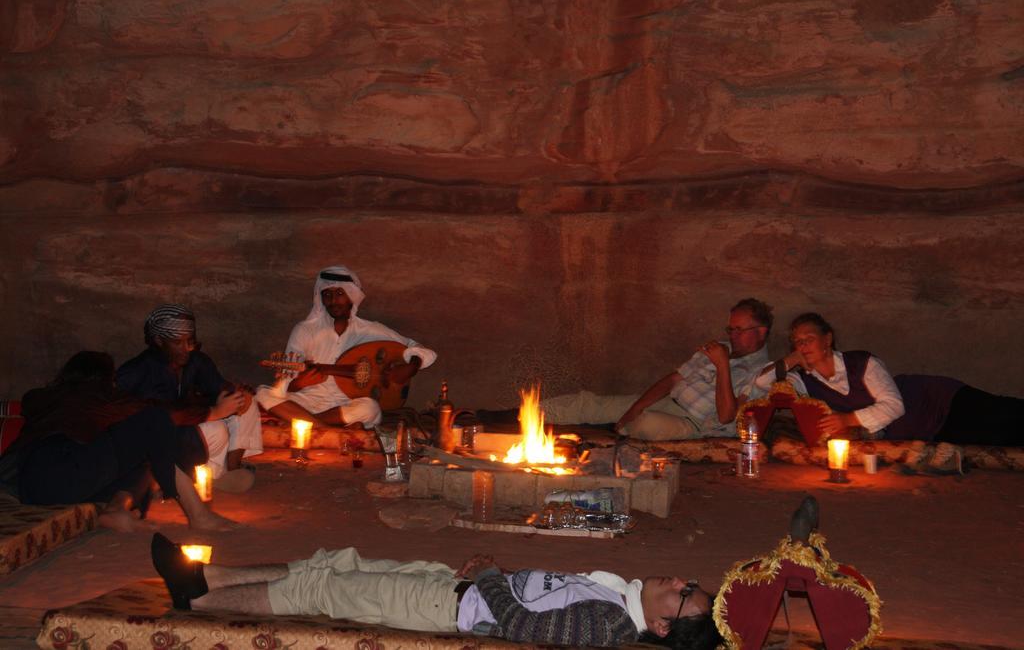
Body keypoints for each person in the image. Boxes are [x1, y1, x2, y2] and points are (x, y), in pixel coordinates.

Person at [151, 534, 720, 649]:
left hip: (443, 608)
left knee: (323, 589)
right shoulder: (619, 598)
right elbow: (538, 598)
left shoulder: (612, 625)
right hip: (456, 588)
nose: (679, 582)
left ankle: (196, 600)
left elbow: (523, 628)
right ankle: (212, 574)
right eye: (689, 584)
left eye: (683, 594)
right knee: (334, 560)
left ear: (664, 626)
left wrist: (490, 580)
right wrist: (485, 576)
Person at [0, 351, 235, 532]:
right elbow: (160, 413)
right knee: (154, 422)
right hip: (66, 467)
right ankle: (197, 515)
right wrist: (214, 411)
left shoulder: (39, 398)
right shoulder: (105, 398)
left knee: (145, 455)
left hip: (31, 487)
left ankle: (115, 510)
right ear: (105, 379)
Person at [483, 299, 774, 441]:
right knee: (593, 403)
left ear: (761, 332)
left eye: (740, 330)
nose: (732, 335)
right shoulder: (720, 346)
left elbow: (726, 416)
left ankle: (602, 430)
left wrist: (723, 365)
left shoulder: (762, 371)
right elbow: (672, 379)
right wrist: (635, 406)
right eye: (730, 329)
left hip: (697, 423)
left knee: (645, 424)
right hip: (669, 402)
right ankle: (514, 415)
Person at [255, 265, 437, 479]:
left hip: (344, 404)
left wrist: (411, 366)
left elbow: (419, 348)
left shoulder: (370, 330)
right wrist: (300, 383)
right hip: (304, 400)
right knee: (262, 393)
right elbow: (287, 384)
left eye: (339, 293)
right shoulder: (304, 330)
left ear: (352, 295)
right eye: (327, 295)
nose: (333, 300)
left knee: (370, 407)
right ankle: (328, 428)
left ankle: (301, 422)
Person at [756, 312, 1024, 445]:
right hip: (926, 430)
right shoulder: (805, 380)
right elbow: (761, 383)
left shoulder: (862, 362)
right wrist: (790, 360)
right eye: (797, 342)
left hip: (939, 401)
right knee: (1002, 437)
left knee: (1007, 414)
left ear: (828, 339)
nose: (803, 346)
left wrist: (848, 420)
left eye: (809, 339)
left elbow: (894, 406)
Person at [117, 304, 263, 492]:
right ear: (159, 341)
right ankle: (173, 480)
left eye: (190, 341)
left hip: (187, 429)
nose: (186, 348)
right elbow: (158, 416)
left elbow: (217, 386)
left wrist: (236, 394)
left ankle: (223, 472)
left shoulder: (196, 360)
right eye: (178, 343)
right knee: (216, 428)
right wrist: (212, 413)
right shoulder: (138, 371)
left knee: (246, 403)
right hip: (154, 442)